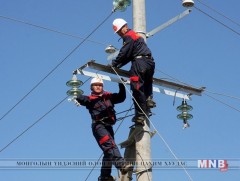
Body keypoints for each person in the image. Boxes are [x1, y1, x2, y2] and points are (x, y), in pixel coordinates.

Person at [75, 77, 131, 181]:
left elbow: (121, 97)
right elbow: (80, 98)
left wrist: (121, 84)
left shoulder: (108, 97)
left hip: (108, 126)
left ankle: (105, 176)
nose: (98, 86)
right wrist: (75, 90)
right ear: (91, 87)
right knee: (110, 145)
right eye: (95, 85)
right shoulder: (90, 99)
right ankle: (121, 165)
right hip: (98, 127)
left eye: (100, 85)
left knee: (108, 152)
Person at [111, 18, 156, 125]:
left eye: (120, 30)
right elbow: (129, 55)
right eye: (118, 32)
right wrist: (118, 64)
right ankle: (148, 99)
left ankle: (140, 115)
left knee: (136, 87)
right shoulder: (136, 37)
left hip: (139, 63)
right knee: (146, 83)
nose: (120, 33)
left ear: (125, 26)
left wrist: (114, 63)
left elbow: (124, 53)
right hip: (149, 63)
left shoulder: (129, 36)